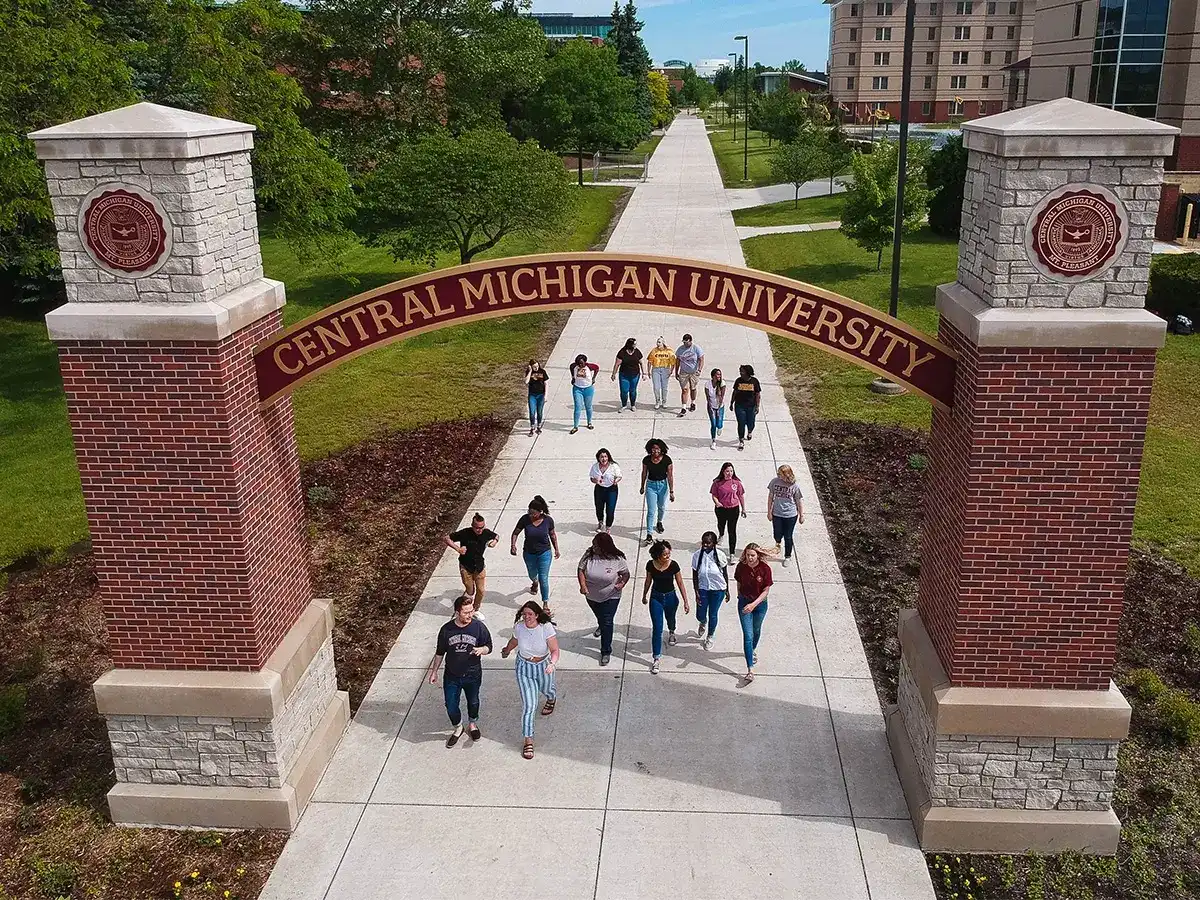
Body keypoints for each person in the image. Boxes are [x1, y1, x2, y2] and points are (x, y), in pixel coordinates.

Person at [427, 595, 492, 747]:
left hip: (473, 674)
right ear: (457, 612)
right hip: (452, 676)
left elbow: (489, 646)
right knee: (450, 704)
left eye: (472, 611)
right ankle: (458, 727)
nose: (470, 615)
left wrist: (482, 649)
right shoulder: (446, 630)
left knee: (474, 701)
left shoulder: (479, 627)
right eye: (466, 612)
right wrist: (434, 671)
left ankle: (473, 724)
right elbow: (439, 653)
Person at [501, 600, 560, 759]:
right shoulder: (519, 627)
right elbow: (514, 641)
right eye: (524, 614)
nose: (527, 617)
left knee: (547, 689)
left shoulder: (545, 627)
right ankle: (528, 740)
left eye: (530, 614)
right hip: (524, 668)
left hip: (543, 665)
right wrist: (507, 650)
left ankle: (551, 698)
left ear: (537, 615)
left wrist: (552, 664)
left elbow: (554, 650)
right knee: (530, 705)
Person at [577, 532, 630, 666]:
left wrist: (622, 583)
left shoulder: (617, 559)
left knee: (607, 621)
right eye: (593, 544)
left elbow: (626, 574)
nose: (593, 547)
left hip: (611, 595)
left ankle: (605, 651)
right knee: (600, 617)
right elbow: (581, 570)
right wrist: (582, 585)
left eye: (596, 545)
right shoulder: (589, 555)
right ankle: (601, 625)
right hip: (591, 596)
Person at [641, 540, 690, 674]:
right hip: (656, 598)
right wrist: (644, 595)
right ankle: (656, 658)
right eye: (665, 554)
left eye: (669, 553)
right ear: (657, 555)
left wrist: (686, 601)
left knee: (671, 619)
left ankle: (672, 631)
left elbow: (680, 583)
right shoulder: (650, 565)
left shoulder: (674, 565)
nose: (668, 556)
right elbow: (648, 581)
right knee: (657, 628)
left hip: (670, 597)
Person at [510, 496, 560, 619]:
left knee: (544, 578)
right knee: (532, 574)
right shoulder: (524, 519)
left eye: (534, 513)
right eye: (530, 512)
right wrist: (513, 545)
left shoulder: (548, 520)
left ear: (540, 512)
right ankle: (534, 582)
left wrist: (556, 549)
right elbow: (515, 533)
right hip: (529, 553)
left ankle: (545, 603)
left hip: (545, 553)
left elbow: (553, 535)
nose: (531, 515)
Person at [442, 513, 499, 614]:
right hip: (466, 567)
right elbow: (446, 538)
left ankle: (474, 610)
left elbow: (496, 536)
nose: (479, 530)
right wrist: (458, 549)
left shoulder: (486, 533)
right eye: (477, 527)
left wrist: (494, 542)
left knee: (481, 591)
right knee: (470, 591)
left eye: (481, 527)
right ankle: (464, 605)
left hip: (479, 566)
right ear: (472, 526)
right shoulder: (464, 533)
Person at [734, 544, 773, 683]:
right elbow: (738, 582)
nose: (749, 558)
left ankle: (752, 649)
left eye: (752, 555)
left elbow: (766, 591)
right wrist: (740, 597)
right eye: (748, 555)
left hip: (760, 605)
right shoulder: (741, 567)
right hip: (744, 604)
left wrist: (753, 605)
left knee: (756, 631)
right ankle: (750, 669)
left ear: (758, 555)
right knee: (748, 635)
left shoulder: (765, 569)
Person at [691, 531, 729, 651]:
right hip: (703, 588)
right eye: (703, 542)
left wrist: (727, 590)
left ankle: (710, 636)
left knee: (713, 613)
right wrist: (696, 590)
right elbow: (695, 575)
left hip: (718, 590)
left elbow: (725, 573)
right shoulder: (697, 556)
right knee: (700, 614)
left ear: (714, 543)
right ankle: (703, 622)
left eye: (708, 543)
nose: (705, 545)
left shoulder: (720, 555)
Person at [767, 464, 805, 567]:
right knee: (777, 534)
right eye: (778, 474)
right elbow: (770, 497)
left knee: (788, 536)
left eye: (781, 474)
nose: (779, 476)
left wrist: (801, 515)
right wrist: (769, 512)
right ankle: (778, 544)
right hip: (777, 513)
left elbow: (798, 500)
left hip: (790, 515)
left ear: (787, 474)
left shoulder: (794, 486)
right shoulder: (774, 482)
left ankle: (787, 556)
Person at [639, 438, 675, 544]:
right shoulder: (646, 460)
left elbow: (670, 476)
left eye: (658, 449)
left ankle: (659, 522)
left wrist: (672, 491)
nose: (655, 451)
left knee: (662, 507)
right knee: (651, 511)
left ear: (661, 449)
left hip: (663, 485)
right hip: (651, 485)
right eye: (653, 449)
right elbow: (644, 473)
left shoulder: (667, 460)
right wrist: (642, 486)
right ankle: (649, 534)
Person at [711, 462, 747, 557]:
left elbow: (740, 496)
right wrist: (717, 502)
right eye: (727, 471)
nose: (729, 473)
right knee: (721, 525)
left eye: (731, 471)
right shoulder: (717, 483)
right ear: (723, 472)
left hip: (733, 509)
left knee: (732, 531)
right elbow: (714, 495)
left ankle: (732, 553)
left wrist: (743, 509)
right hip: (721, 509)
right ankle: (721, 534)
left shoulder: (737, 483)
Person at [729, 364, 762, 450]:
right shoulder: (738, 381)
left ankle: (750, 431)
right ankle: (741, 440)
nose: (740, 373)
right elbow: (735, 392)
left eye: (742, 371)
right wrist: (731, 402)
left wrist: (757, 406)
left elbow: (758, 394)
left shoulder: (754, 381)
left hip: (751, 406)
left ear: (747, 372)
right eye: (740, 371)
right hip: (739, 406)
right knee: (741, 423)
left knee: (751, 423)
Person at [589, 448, 622, 533]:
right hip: (599, 489)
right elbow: (591, 478)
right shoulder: (595, 467)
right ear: (598, 458)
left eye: (605, 457)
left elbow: (619, 476)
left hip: (611, 490)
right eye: (601, 457)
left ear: (608, 457)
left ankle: (608, 527)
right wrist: (595, 481)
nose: (604, 459)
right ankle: (600, 522)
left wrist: (616, 481)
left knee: (610, 509)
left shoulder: (614, 466)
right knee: (599, 508)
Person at [673, 333, 705, 416]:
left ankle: (693, 402)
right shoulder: (680, 349)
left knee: (693, 388)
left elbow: (701, 359)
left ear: (690, 341)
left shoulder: (696, 348)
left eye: (686, 342)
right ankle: (683, 407)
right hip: (683, 372)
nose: (684, 344)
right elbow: (677, 361)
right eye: (683, 342)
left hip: (694, 372)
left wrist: (699, 370)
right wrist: (676, 372)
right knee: (684, 389)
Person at [611, 337, 645, 412]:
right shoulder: (622, 352)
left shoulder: (637, 351)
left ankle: (633, 405)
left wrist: (643, 373)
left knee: (633, 390)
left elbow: (641, 363)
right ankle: (624, 405)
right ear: (630, 345)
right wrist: (613, 374)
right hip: (624, 375)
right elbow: (617, 364)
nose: (636, 345)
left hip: (635, 375)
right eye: (634, 344)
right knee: (624, 391)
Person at [569, 354, 599, 434]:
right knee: (578, 407)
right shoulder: (574, 366)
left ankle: (589, 422)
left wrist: (593, 378)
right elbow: (571, 367)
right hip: (577, 389)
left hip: (588, 389)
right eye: (579, 363)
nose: (580, 365)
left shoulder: (589, 366)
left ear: (585, 362)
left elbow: (597, 368)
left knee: (588, 406)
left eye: (582, 363)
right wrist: (573, 377)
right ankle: (575, 426)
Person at [646, 338, 676, 410]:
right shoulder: (654, 351)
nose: (657, 344)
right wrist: (648, 371)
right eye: (657, 342)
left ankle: (664, 401)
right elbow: (649, 361)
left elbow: (673, 362)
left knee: (664, 387)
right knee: (656, 387)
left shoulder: (669, 351)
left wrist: (671, 371)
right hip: (656, 369)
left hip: (665, 369)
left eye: (659, 342)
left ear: (663, 343)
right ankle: (657, 401)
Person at [525, 360, 549, 436]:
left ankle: (539, 426)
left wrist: (546, 395)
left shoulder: (542, 372)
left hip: (541, 395)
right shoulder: (529, 372)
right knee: (532, 412)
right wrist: (530, 371)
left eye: (537, 366)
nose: (536, 368)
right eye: (534, 367)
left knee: (539, 412)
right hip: (532, 395)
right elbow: (526, 382)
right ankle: (532, 427)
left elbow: (546, 384)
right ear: (531, 366)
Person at [704, 368, 726, 450]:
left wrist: (718, 409)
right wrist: (710, 407)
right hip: (711, 406)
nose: (719, 376)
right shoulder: (707, 384)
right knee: (713, 424)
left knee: (718, 424)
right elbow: (708, 397)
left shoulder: (722, 384)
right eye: (717, 374)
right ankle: (713, 440)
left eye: (720, 374)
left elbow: (722, 397)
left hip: (719, 407)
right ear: (713, 376)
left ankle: (720, 427)